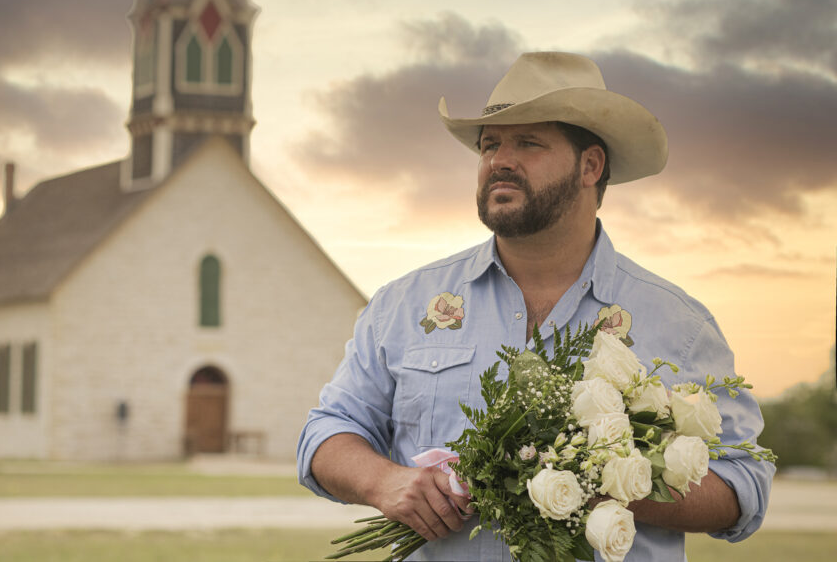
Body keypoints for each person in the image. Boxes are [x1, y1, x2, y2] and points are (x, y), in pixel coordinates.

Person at [297, 52, 774, 561]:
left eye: (528, 143)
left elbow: (743, 483)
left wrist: (607, 482)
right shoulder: (404, 305)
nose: (499, 160)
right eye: (489, 145)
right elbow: (325, 433)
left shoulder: (680, 325)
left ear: (591, 165)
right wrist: (385, 482)